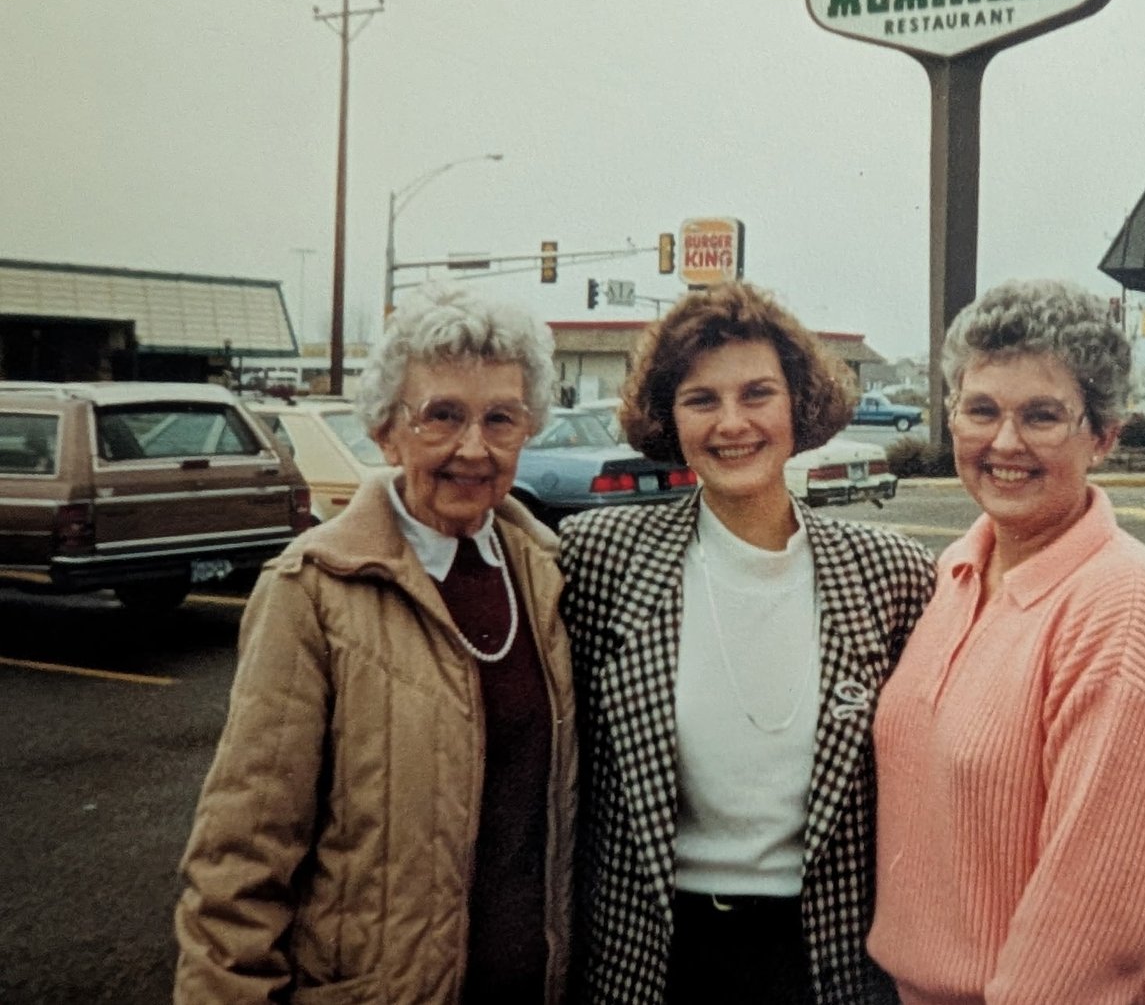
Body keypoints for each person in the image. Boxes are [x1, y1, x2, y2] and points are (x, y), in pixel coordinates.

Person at [174, 286, 577, 1005]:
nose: (473, 448)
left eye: (500, 418)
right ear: (387, 431)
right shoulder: (313, 589)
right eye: (442, 415)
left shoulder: (548, 574)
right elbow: (242, 855)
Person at [558, 281, 936, 1005]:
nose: (732, 423)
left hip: (829, 963)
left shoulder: (892, 574)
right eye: (701, 399)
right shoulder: (601, 559)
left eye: (758, 394)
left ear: (799, 403)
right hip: (650, 965)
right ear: (668, 416)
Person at [869, 278, 1145, 1005]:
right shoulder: (957, 571)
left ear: (1102, 436)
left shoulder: (1125, 607)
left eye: (1042, 416)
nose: (1005, 443)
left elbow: (1095, 918)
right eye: (981, 410)